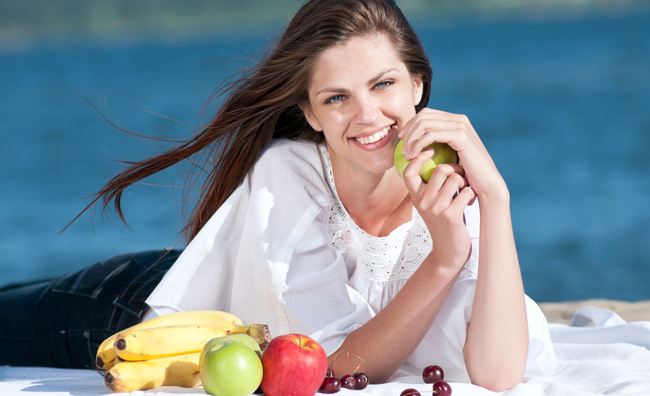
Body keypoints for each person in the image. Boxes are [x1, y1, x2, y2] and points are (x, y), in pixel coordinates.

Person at [0, 0, 557, 391]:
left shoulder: (450, 183)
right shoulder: (286, 174)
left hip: (235, 304)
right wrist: (444, 260)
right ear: (311, 114)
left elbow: (499, 373)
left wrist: (497, 200)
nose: (367, 115)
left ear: (418, 84)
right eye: (337, 97)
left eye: (383, 84)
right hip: (133, 309)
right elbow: (335, 368)